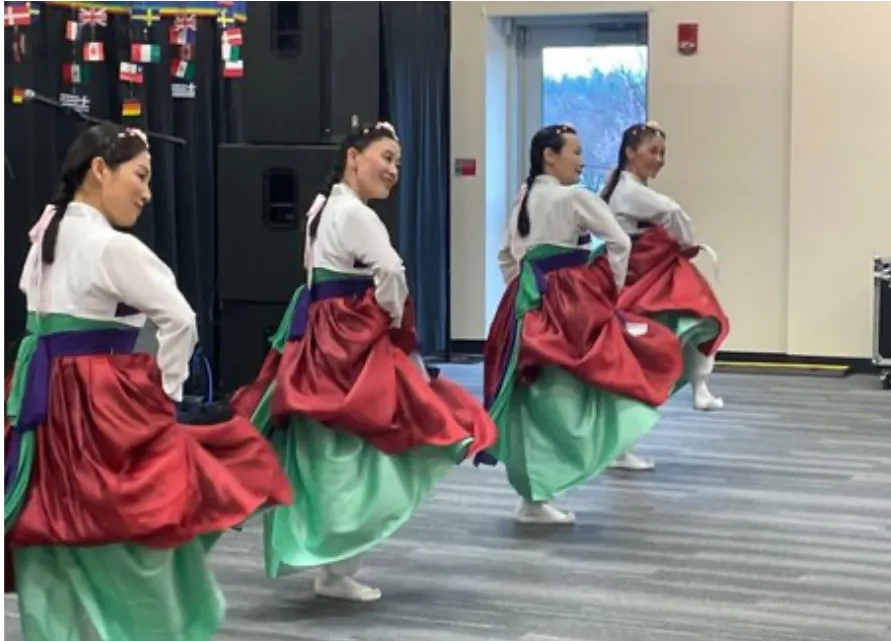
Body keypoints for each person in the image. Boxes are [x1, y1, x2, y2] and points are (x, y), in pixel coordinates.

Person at [4, 123, 292, 641]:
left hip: (41, 402)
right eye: (140, 175)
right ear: (99, 169)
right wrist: (168, 395)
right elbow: (180, 319)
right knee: (122, 524)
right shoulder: (110, 247)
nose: (147, 192)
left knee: (52, 530)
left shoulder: (47, 234)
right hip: (94, 403)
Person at [231, 120, 497, 603]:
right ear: (353, 156)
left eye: (398, 162)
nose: (394, 170)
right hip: (346, 341)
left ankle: (329, 561)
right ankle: (335, 562)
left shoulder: (322, 207)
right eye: (387, 157)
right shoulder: (355, 214)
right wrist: (392, 319)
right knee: (366, 445)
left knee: (328, 452)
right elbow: (392, 271)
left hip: (317, 335)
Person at [475, 124, 683, 525]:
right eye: (575, 152)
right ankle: (558, 478)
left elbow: (506, 254)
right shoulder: (575, 197)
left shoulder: (524, 196)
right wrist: (609, 288)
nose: (582, 160)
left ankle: (533, 494)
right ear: (549, 156)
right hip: (567, 305)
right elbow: (619, 242)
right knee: (583, 383)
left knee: (529, 400)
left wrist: (520, 288)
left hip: (523, 306)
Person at [600, 121, 730, 428]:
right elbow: (673, 212)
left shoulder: (615, 183)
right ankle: (698, 384)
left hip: (633, 269)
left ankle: (698, 384)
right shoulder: (629, 190)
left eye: (662, 153)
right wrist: (686, 242)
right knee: (703, 316)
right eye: (653, 151)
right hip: (641, 272)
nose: (659, 159)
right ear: (630, 152)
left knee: (699, 319)